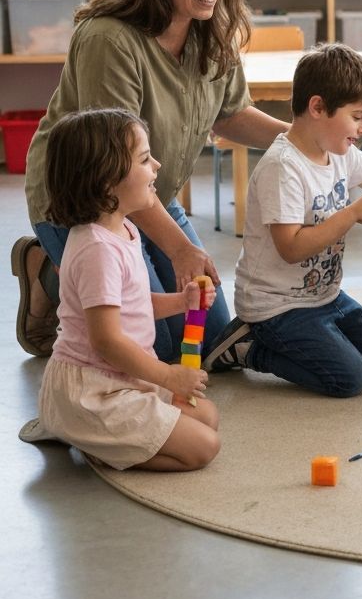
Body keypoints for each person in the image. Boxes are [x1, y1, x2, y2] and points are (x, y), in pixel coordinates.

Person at [13, 0, 289, 365]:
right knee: (152, 349)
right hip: (88, 204)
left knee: (211, 341)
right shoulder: (109, 39)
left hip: (153, 196)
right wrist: (181, 248)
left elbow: (231, 114)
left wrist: (304, 143)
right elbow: (115, 164)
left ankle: (67, 273)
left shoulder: (212, 30)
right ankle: (50, 271)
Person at [201, 44, 362, 397]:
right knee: (350, 379)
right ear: (318, 107)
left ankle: (303, 335)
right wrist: (353, 212)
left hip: (323, 294)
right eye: (358, 116)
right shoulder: (283, 166)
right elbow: (290, 248)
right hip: (276, 306)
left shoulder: (339, 152)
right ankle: (247, 347)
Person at [18, 109, 220, 472]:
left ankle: (101, 436)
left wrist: (182, 301)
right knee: (204, 448)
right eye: (144, 159)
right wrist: (169, 376)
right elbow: (106, 341)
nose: (157, 165)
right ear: (106, 180)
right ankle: (90, 440)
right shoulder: (97, 249)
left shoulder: (123, 229)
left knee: (207, 417)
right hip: (93, 391)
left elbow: (133, 305)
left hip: (122, 378)